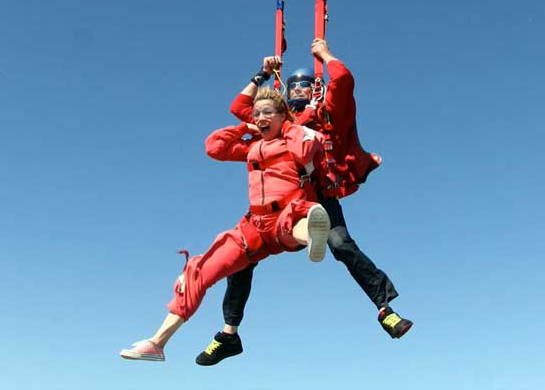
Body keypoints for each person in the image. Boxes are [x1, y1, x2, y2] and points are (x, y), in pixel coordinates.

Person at [196, 39, 412, 367]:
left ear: (314, 90)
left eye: (304, 86)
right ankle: (229, 334)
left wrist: (324, 55)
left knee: (341, 245)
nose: (297, 91)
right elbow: (240, 109)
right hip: (277, 203)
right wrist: (262, 75)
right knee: (241, 259)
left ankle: (385, 309)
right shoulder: (279, 124)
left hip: (316, 198)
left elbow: (343, 81)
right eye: (293, 87)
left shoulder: (324, 117)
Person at [119, 87, 332, 362]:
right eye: (256, 113)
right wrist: (243, 126)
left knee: (297, 219)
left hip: (286, 214)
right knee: (200, 272)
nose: (260, 117)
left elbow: (305, 149)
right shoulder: (253, 148)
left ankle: (313, 235)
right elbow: (215, 147)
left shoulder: (296, 138)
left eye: (267, 112)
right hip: (253, 225)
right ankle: (157, 344)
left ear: (282, 116)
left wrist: (289, 124)